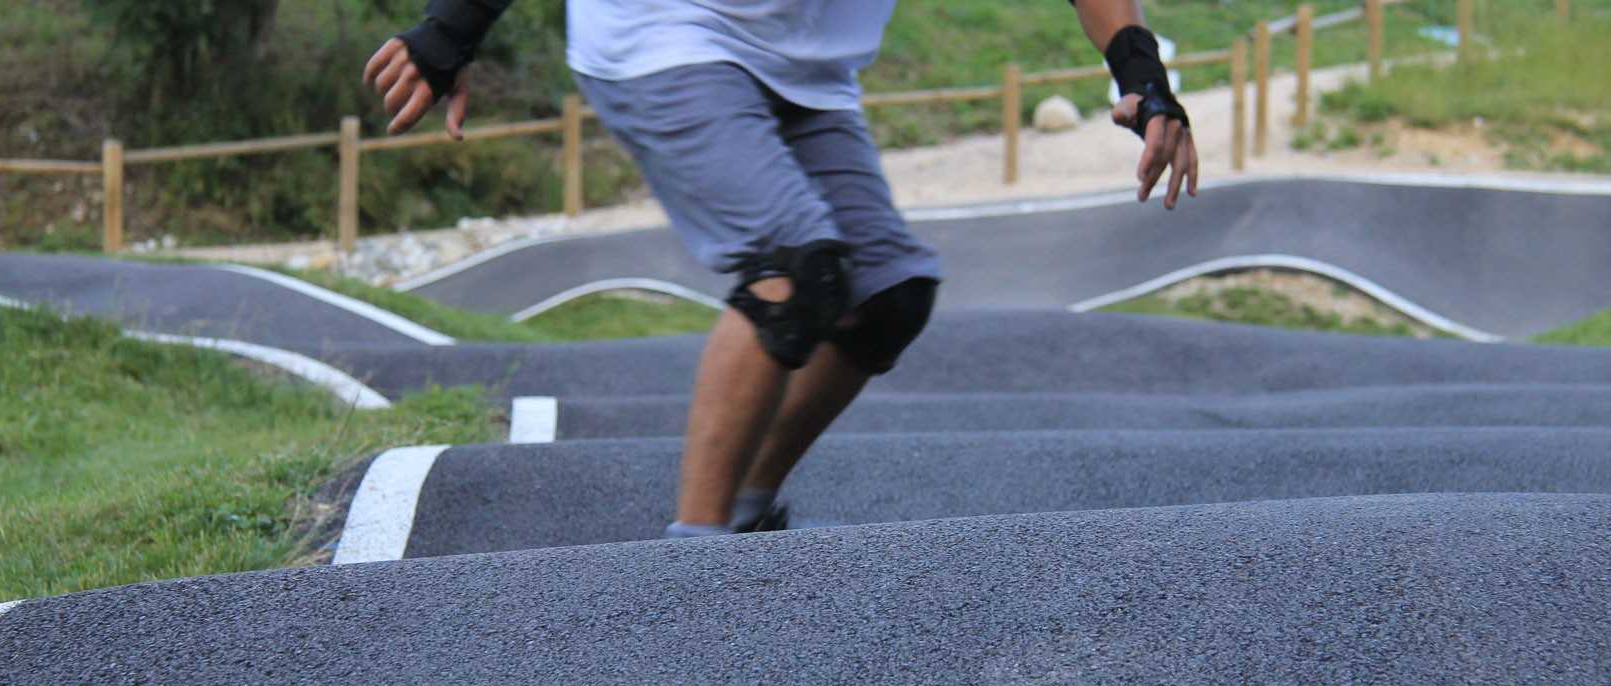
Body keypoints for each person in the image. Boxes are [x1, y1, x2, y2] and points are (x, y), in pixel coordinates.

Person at [364, 0, 1199, 538]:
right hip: (663, 35)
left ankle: (740, 513)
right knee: (791, 270)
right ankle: (687, 578)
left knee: (887, 295)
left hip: (806, 71)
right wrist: (451, 31)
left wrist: (1143, 77)